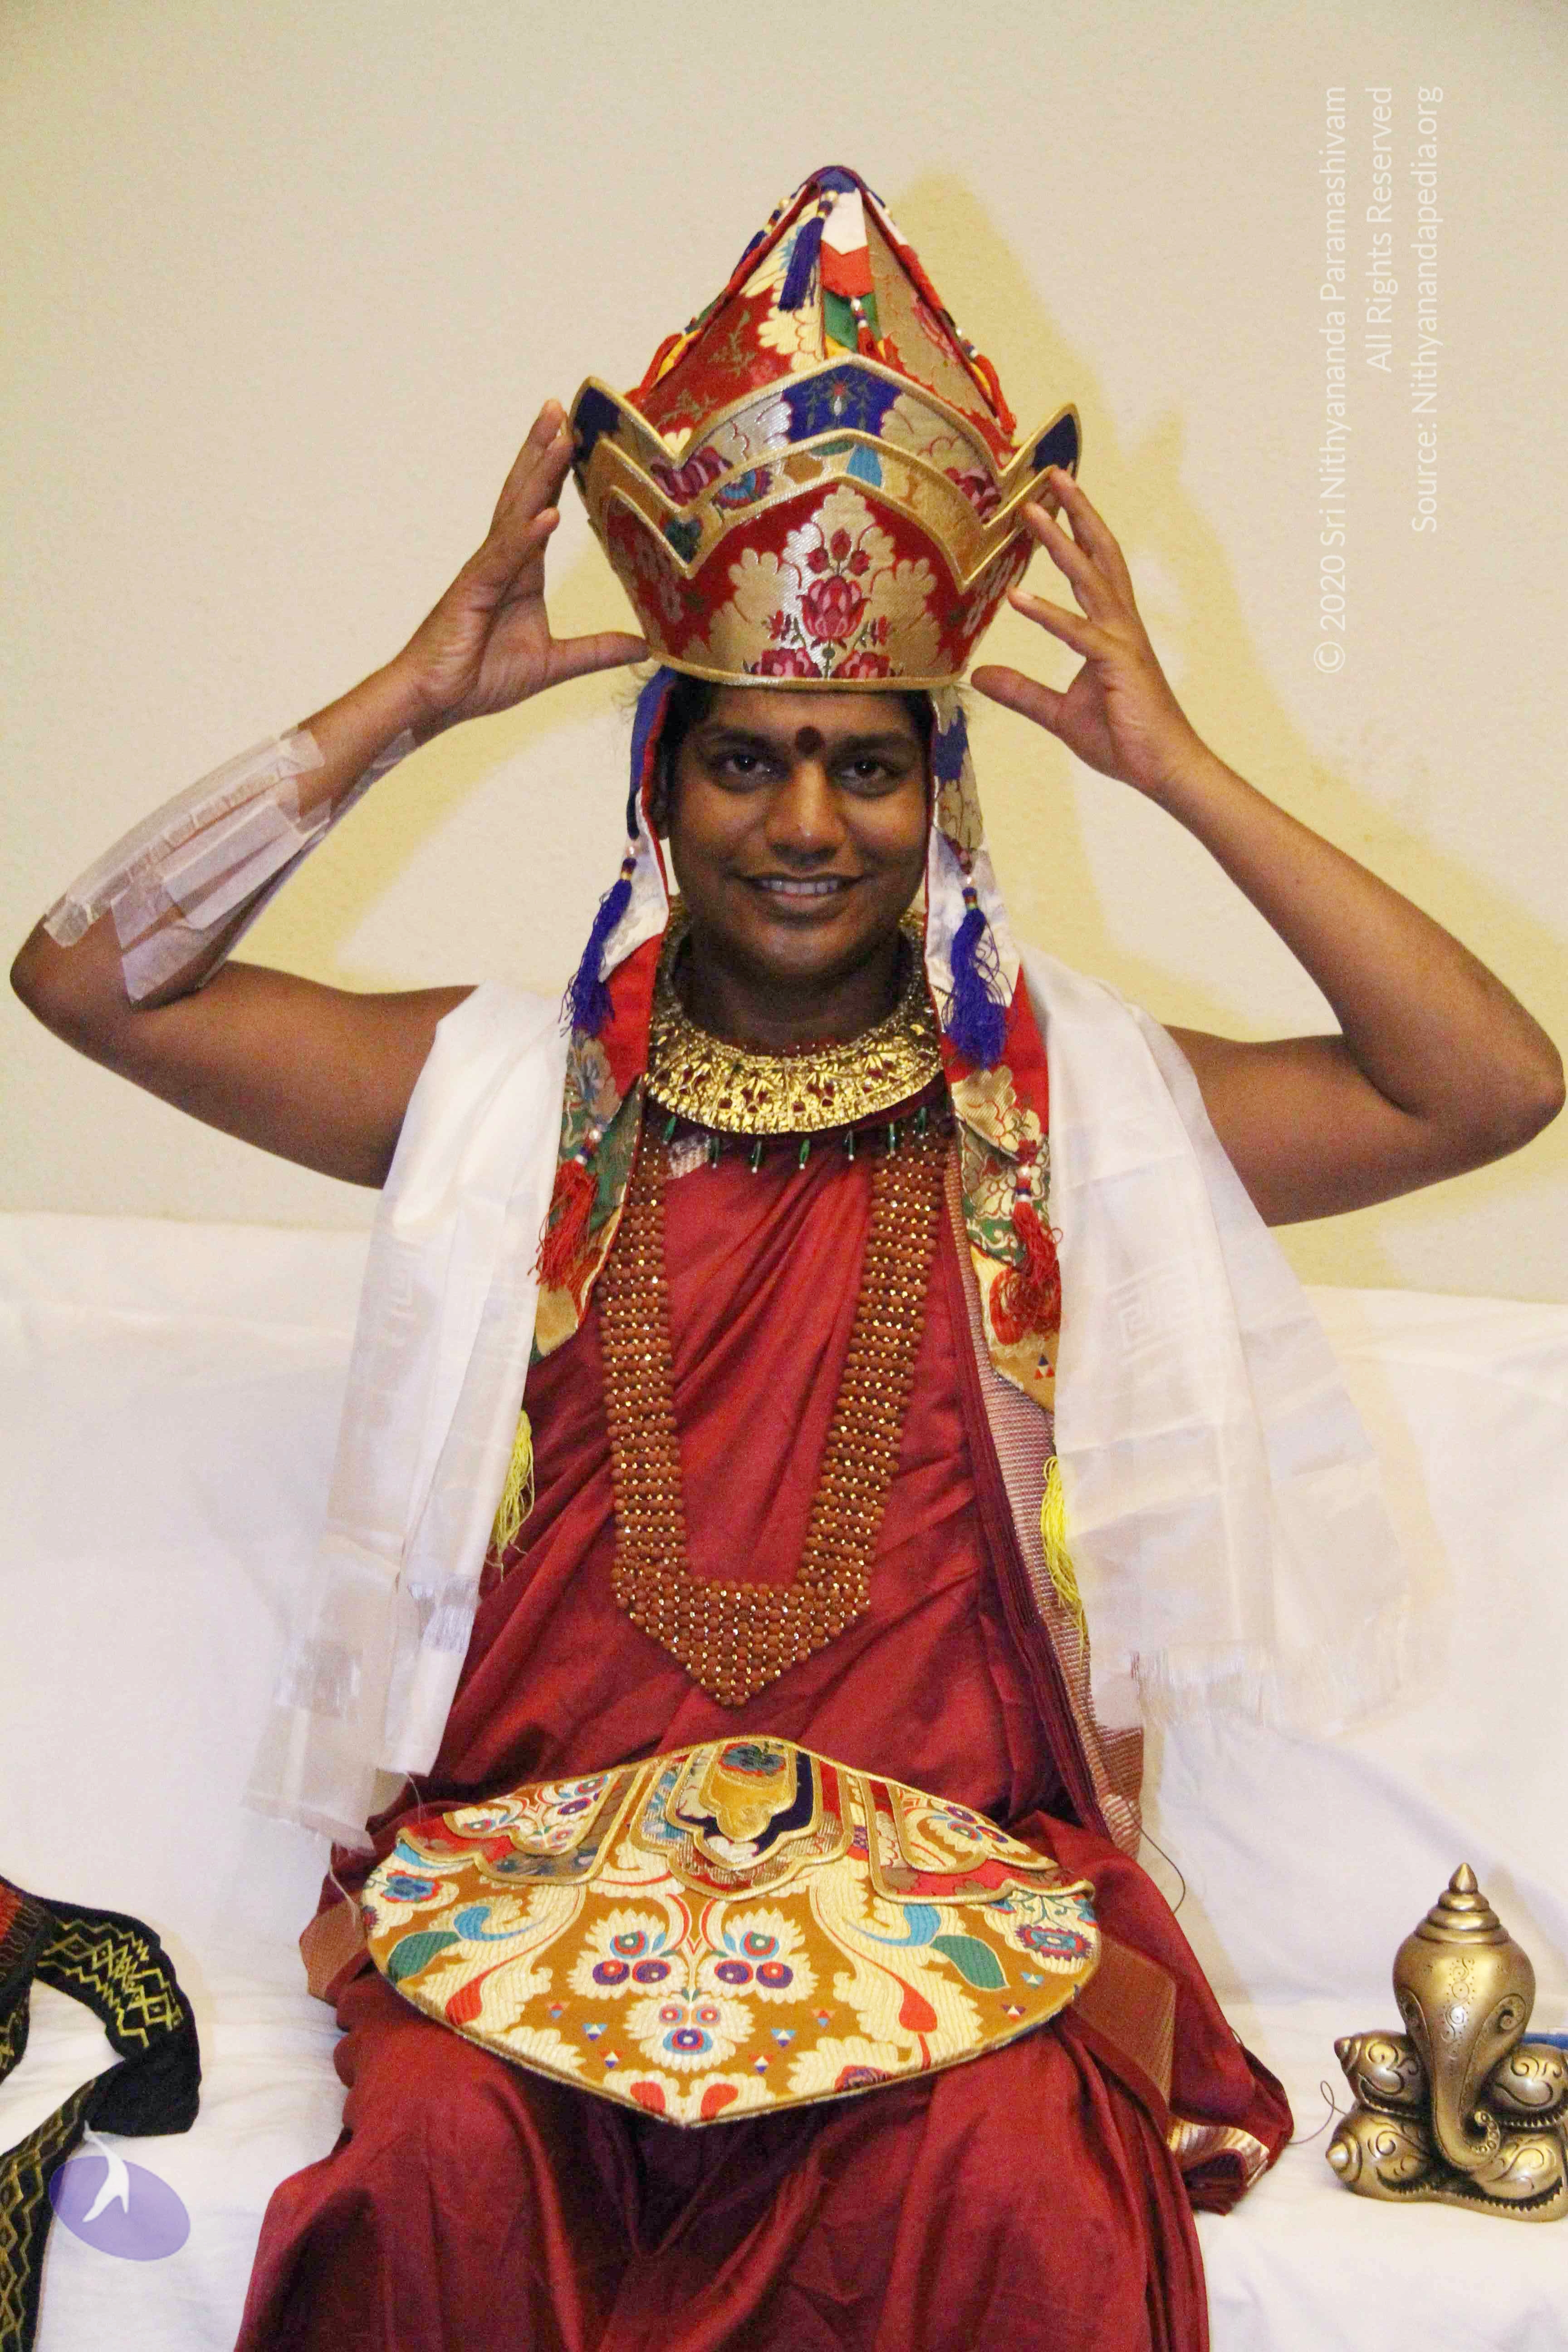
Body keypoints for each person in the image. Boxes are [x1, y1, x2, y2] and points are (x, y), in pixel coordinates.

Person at [11, 167, 1561, 2352]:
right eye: (745, 760)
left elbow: (1487, 1084)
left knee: (1010, 2188)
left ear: (944, 799)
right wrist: (413, 697)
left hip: (957, 1932)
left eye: (865, 768)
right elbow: (88, 980)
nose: (808, 825)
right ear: (661, 787)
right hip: (526, 1910)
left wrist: (1186, 770)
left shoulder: (1064, 1121)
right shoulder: (500, 1100)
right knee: (436, 2171)